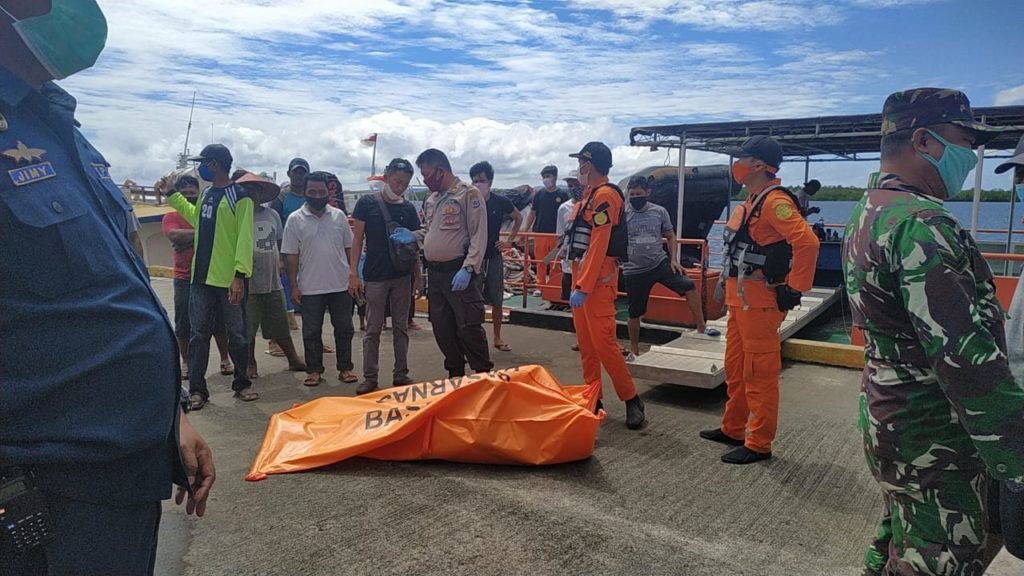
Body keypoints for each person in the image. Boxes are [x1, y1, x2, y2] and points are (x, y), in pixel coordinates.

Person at [0, 2, 213, 572]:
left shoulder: (58, 125)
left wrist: (171, 416)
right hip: (40, 483)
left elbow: (116, 288)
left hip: (124, 467)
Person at [844, 88, 1024, 575]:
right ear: (923, 141)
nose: (973, 157)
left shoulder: (869, 212)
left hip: (890, 416)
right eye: (965, 142)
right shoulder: (924, 225)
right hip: (934, 438)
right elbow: (966, 362)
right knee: (940, 558)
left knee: (901, 536)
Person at [700, 135, 819, 464]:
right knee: (736, 367)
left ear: (757, 165)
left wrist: (796, 287)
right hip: (741, 302)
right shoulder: (752, 200)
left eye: (741, 159)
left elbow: (807, 242)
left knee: (760, 372)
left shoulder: (773, 202)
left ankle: (759, 443)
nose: (735, 165)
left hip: (761, 303)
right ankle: (733, 427)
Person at [168, 143, 257, 409]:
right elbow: (197, 218)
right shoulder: (207, 194)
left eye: (204, 163)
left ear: (215, 164)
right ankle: (198, 390)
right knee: (198, 336)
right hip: (201, 279)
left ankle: (242, 384)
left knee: (237, 335)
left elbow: (244, 238)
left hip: (228, 279)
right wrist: (172, 195)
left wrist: (239, 275)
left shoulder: (240, 197)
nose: (201, 168)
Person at [566, 142, 644, 429]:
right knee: (586, 347)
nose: (579, 169)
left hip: (597, 282)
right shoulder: (588, 196)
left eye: (582, 163)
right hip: (581, 279)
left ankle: (632, 398)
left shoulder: (606, 196)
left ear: (590, 164)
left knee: (605, 345)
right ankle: (592, 398)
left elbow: (599, 244)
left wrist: (584, 286)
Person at [416, 148, 494, 377]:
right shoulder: (432, 199)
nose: (425, 180)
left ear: (440, 171)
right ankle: (455, 373)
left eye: (427, 174)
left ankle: (482, 374)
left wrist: (469, 268)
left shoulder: (467, 195)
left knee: (468, 326)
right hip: (436, 274)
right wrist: (414, 235)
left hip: (459, 271)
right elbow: (429, 231)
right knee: (442, 327)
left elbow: (479, 234)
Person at [622, 175, 718, 361]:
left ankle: (701, 327)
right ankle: (634, 350)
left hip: (659, 263)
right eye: (632, 194)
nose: (635, 197)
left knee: (689, 286)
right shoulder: (623, 214)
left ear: (648, 193)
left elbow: (670, 235)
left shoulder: (659, 212)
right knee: (634, 313)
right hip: (633, 271)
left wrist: (674, 259)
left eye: (639, 193)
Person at [349, 158, 422, 394]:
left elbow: (413, 246)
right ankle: (370, 376)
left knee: (401, 327)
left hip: (401, 275)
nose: (400, 186)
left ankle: (401, 373)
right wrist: (353, 273)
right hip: (375, 275)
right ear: (387, 176)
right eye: (397, 181)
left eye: (404, 183)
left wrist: (417, 276)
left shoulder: (409, 209)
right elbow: (357, 239)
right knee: (373, 329)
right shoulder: (367, 203)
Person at [282, 171, 358, 386]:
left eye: (321, 191)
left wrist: (353, 276)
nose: (317, 195)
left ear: (328, 192)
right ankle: (314, 370)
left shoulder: (339, 216)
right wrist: (294, 286)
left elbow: (349, 248)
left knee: (344, 328)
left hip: (340, 285)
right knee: (311, 331)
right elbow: (291, 255)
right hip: (310, 286)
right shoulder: (295, 219)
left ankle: (345, 368)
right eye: (312, 191)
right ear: (305, 192)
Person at [160, 174, 234, 379]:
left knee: (219, 322)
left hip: (211, 275)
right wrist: (206, 233)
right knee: (184, 323)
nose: (188, 194)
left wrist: (191, 236)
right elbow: (175, 236)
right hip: (184, 278)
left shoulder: (207, 212)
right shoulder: (171, 217)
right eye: (183, 192)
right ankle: (186, 361)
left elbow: (217, 232)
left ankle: (225, 358)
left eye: (192, 190)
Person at [232, 172, 305, 378]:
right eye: (247, 190)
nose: (251, 193)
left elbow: (280, 242)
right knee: (248, 326)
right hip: (248, 281)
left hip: (273, 280)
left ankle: (293, 359)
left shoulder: (271, 215)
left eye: (255, 190)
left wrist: (281, 260)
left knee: (280, 321)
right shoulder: (236, 216)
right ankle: (250, 363)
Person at [470, 161, 523, 352]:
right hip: (473, 258)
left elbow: (518, 217)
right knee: (472, 300)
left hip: (493, 257)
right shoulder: (469, 201)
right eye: (474, 181)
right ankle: (474, 339)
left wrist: (509, 241)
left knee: (497, 299)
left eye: (482, 180)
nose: (478, 184)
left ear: (490, 181)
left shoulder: (500, 201)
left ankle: (497, 337)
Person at [525, 164, 568, 292]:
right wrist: (526, 229)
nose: (546, 179)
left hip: (556, 235)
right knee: (541, 261)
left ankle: (554, 286)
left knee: (555, 262)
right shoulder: (539, 195)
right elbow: (533, 212)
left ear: (555, 177)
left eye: (548, 176)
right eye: (544, 177)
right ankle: (540, 286)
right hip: (540, 233)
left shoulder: (563, 195)